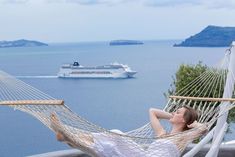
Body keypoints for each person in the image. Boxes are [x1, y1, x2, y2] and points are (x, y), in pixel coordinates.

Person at [50, 106, 206, 157]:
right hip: (142, 156)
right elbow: (152, 111)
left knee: (113, 141)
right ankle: (69, 137)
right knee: (116, 133)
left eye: (178, 112)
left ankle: (69, 137)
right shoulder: (162, 134)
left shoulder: (183, 136)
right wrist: (172, 115)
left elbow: (203, 128)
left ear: (185, 121)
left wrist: (191, 123)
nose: (174, 113)